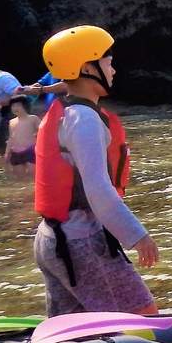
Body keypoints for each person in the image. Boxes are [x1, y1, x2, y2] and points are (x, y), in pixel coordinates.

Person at [33, 25, 159, 316]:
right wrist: (138, 236)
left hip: (52, 241)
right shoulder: (85, 119)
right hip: (81, 243)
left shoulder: (67, 112)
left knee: (76, 335)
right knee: (143, 317)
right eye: (108, 62)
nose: (113, 69)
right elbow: (98, 189)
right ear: (88, 67)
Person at [4, 96, 38, 180]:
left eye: (18, 105)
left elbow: (43, 130)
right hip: (16, 152)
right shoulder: (11, 122)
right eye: (13, 106)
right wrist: (7, 153)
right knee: (20, 178)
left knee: (33, 175)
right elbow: (11, 138)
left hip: (30, 150)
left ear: (25, 106)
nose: (15, 108)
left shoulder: (33, 118)